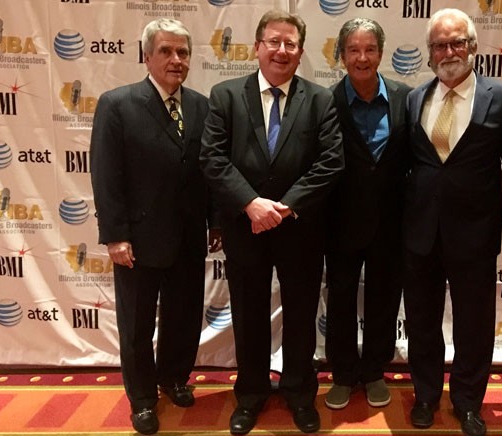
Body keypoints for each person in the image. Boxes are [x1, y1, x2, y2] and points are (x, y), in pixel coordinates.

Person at [199, 10, 344, 436]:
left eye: (291, 44)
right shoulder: (225, 95)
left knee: (300, 316)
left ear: (300, 53)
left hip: (300, 230)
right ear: (257, 47)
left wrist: (283, 207)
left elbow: (331, 162)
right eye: (274, 41)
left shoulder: (320, 100)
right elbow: (213, 157)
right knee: (248, 315)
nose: (282, 51)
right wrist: (250, 204)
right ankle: (251, 395)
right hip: (246, 229)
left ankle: (300, 395)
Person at [90, 18, 222, 436]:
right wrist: (115, 235)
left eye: (182, 52)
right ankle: (143, 399)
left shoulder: (202, 106)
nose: (176, 60)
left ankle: (174, 378)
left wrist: (216, 222)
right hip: (138, 241)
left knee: (183, 317)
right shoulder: (117, 104)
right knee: (137, 325)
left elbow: (213, 171)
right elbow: (106, 176)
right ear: (146, 55)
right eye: (166, 51)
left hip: (188, 238)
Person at [403, 8, 502, 436]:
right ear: (429, 53)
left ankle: (468, 401)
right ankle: (426, 395)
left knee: (473, 324)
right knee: (421, 320)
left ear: (472, 47)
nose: (448, 51)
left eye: (457, 43)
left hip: (475, 232)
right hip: (420, 232)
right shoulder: (417, 98)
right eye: (439, 44)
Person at [323, 18, 412, 410]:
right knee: (340, 299)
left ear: (381, 52)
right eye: (354, 50)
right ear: (341, 55)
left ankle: (374, 370)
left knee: (384, 298)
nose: (362, 58)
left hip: (393, 223)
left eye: (370, 49)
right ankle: (343, 373)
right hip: (339, 223)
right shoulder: (323, 101)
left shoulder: (406, 97)